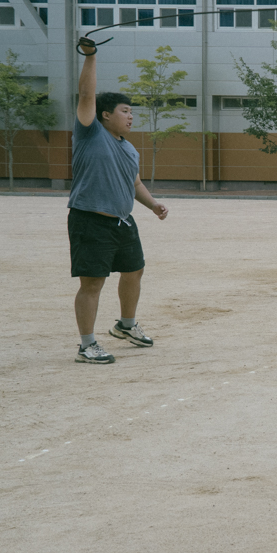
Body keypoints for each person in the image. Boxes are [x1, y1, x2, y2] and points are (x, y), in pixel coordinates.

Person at [68, 37, 169, 364]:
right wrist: (91, 56)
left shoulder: (128, 148)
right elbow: (87, 95)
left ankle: (125, 325)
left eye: (132, 112)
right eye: (125, 111)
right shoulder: (90, 133)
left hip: (123, 221)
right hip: (90, 219)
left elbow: (134, 183)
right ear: (105, 114)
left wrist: (153, 204)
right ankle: (87, 345)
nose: (131, 116)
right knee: (93, 283)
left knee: (134, 270)